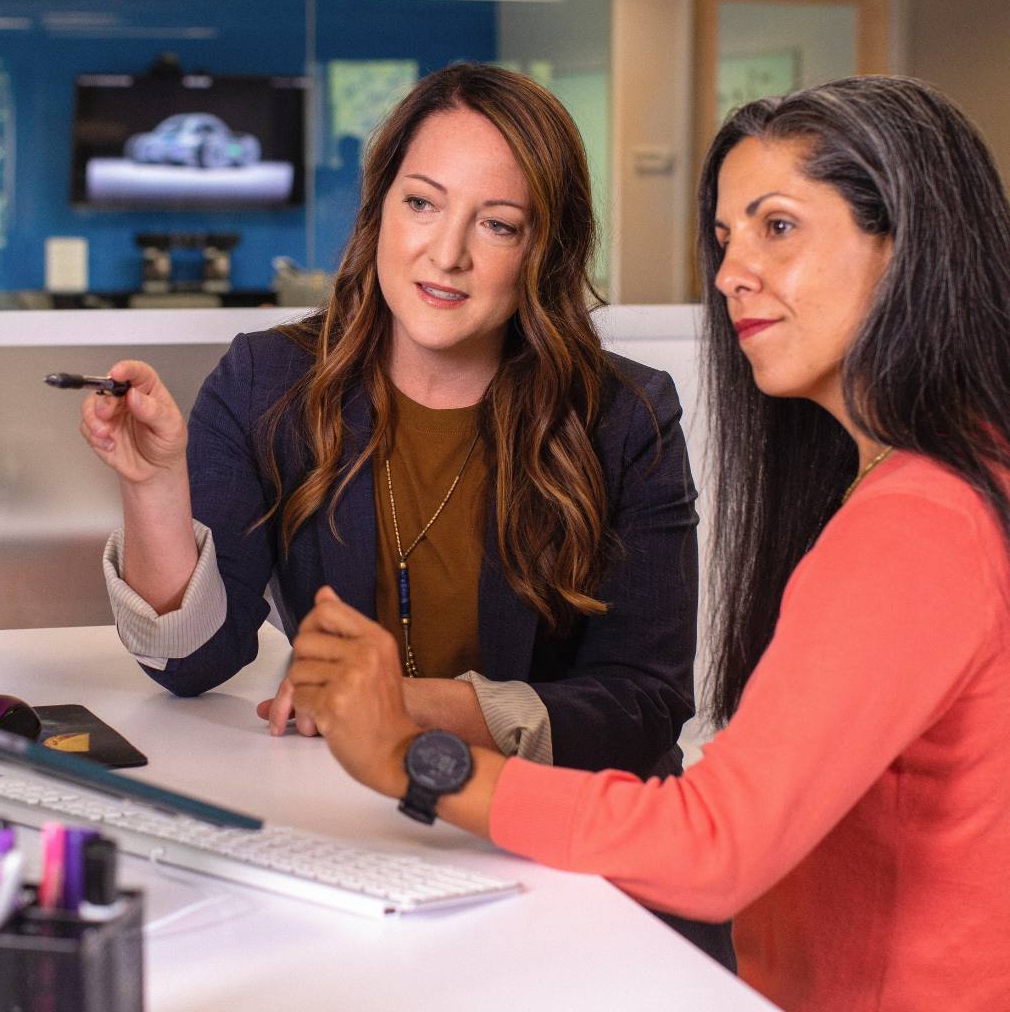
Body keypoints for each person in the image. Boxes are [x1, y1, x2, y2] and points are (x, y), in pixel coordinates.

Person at [287, 75, 1010, 1011]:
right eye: (724, 239)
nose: (730, 274)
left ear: (910, 244)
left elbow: (714, 848)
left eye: (777, 227)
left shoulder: (920, 523)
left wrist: (412, 760)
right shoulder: (959, 477)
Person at [80, 63, 732, 963]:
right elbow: (194, 662)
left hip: (570, 861)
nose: (447, 253)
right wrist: (153, 483)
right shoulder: (268, 382)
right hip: (364, 845)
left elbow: (645, 704)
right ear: (380, 208)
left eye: (497, 225)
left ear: (545, 249)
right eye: (423, 204)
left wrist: (413, 711)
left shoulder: (626, 414)